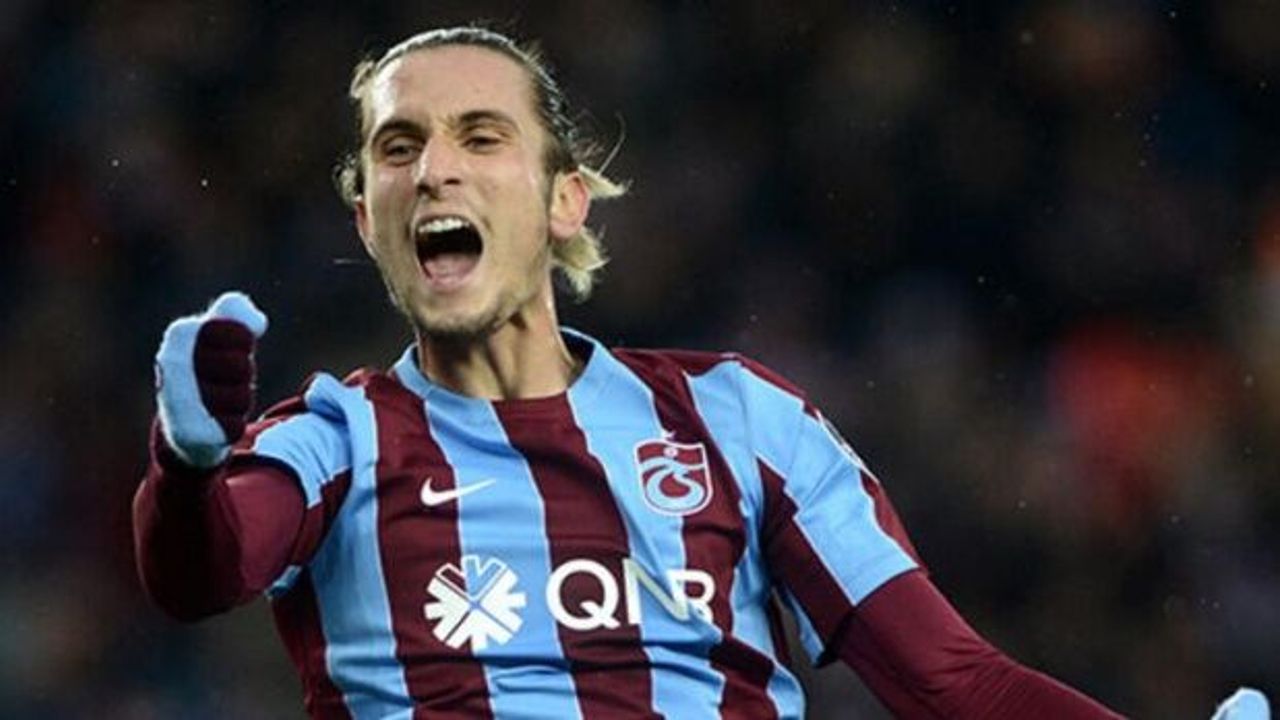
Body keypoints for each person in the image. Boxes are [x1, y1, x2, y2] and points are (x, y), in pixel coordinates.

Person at [134, 25, 1210, 719]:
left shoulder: (739, 421)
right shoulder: (333, 439)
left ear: (564, 201)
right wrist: (187, 462)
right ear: (367, 219)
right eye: (399, 147)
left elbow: (951, 682)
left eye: (480, 137)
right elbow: (196, 576)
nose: (434, 171)